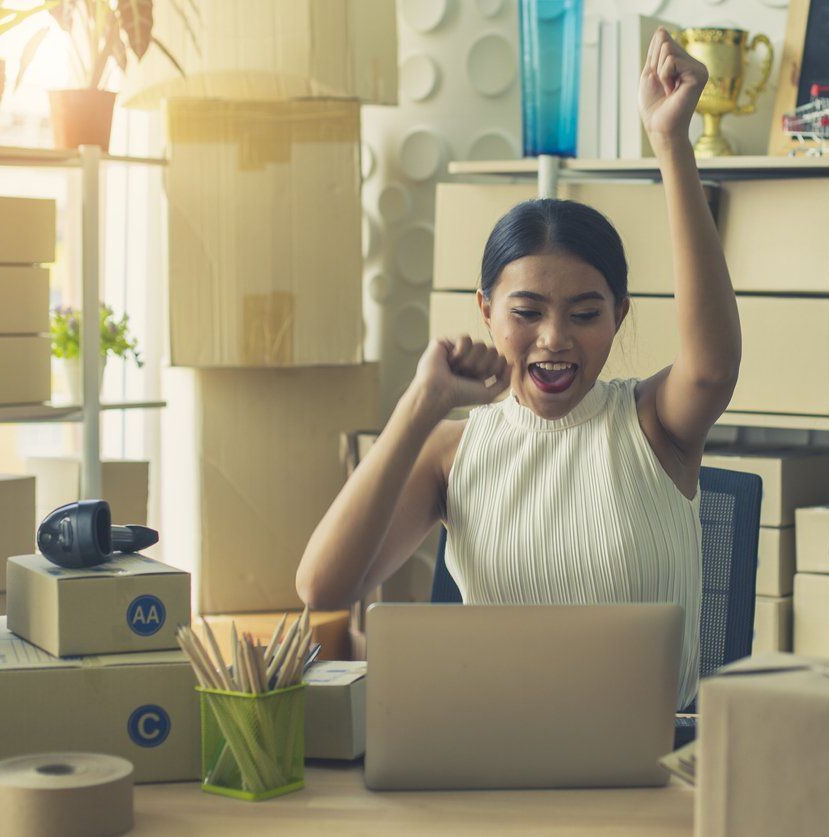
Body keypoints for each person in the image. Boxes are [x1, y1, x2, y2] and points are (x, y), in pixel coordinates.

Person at [296, 28, 741, 711]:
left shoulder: (655, 423)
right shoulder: (452, 450)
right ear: (485, 310)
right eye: (527, 311)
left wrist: (670, 144)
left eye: (585, 313)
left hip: (644, 769)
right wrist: (422, 402)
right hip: (491, 753)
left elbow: (710, 366)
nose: (553, 340)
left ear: (619, 315)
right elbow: (322, 589)